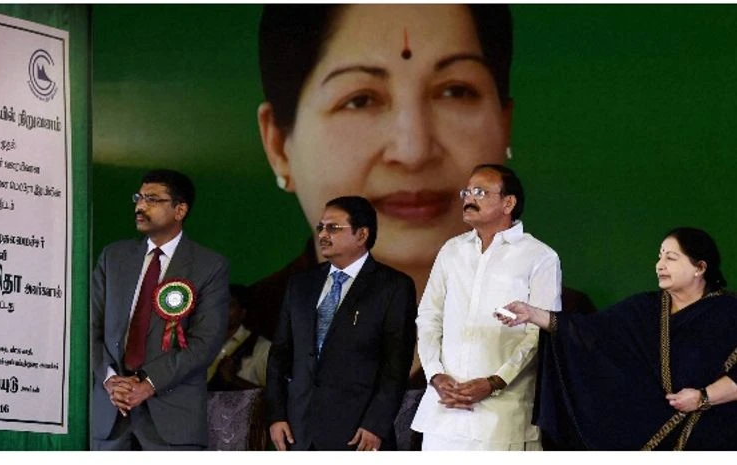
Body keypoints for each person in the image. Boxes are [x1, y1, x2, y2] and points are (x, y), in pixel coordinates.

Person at [250, 4, 593, 385]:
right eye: (360, 99)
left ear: (505, 124)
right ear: (279, 144)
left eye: (455, 91)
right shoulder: (240, 333)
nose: (413, 151)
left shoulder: (567, 331)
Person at [497, 227, 737, 450]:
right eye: (660, 257)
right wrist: (533, 314)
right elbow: (591, 332)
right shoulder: (644, 308)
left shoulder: (728, 312)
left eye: (671, 258)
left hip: (712, 436)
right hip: (641, 435)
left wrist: (703, 397)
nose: (660, 265)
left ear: (700, 267)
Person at [411, 164, 562, 450]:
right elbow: (429, 316)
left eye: (480, 192)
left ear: (509, 203)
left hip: (503, 415)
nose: (469, 198)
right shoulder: (452, 250)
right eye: (466, 191)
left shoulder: (540, 257)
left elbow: (539, 332)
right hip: (445, 410)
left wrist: (495, 381)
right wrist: (434, 373)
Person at [90, 169, 230, 450]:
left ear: (180, 210)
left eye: (152, 199)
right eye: (139, 197)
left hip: (173, 418)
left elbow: (205, 342)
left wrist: (148, 384)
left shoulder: (208, 266)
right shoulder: (113, 257)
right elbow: (89, 327)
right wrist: (110, 379)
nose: (140, 206)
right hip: (111, 414)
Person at [265, 196, 417, 451]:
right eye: (321, 227)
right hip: (297, 431)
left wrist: (376, 425)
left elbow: (396, 365)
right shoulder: (301, 284)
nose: (323, 234)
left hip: (357, 433)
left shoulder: (392, 286)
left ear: (361, 234)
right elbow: (280, 355)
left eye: (333, 228)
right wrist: (277, 415)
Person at [207, 284, 271, 391]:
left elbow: (275, 398)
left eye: (229, 305)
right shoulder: (200, 347)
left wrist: (234, 380)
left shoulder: (262, 348)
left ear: (242, 313)